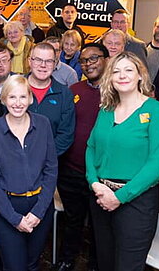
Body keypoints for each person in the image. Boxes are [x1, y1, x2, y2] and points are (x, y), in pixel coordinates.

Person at [86, 52, 159, 271]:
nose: (122, 76)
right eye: (116, 71)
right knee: (105, 263)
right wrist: (94, 182)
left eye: (128, 70)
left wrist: (119, 197)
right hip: (101, 198)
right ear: (110, 78)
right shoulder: (106, 109)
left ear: (140, 75)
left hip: (136, 203)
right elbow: (91, 147)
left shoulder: (156, 111)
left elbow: (156, 165)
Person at [0, 75, 58, 270]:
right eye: (12, 97)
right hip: (7, 209)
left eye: (23, 97)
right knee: (14, 266)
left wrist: (38, 212)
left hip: (39, 206)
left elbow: (51, 170)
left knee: (32, 265)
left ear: (30, 99)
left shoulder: (43, 124)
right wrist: (15, 219)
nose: (17, 103)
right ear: (4, 99)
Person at [56, 43, 109, 271]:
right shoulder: (74, 90)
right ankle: (68, 259)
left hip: (103, 176)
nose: (89, 64)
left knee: (100, 226)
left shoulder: (117, 92)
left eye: (94, 58)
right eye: (85, 60)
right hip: (71, 171)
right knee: (72, 220)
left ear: (107, 59)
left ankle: (96, 265)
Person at [27, 42, 75, 156]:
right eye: (38, 60)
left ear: (55, 64)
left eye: (49, 61)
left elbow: (66, 135)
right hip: (14, 161)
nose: (43, 65)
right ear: (30, 61)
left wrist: (44, 156)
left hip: (49, 164)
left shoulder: (64, 94)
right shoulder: (16, 88)